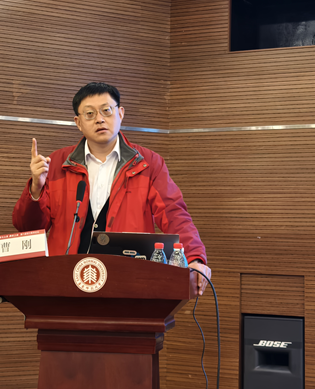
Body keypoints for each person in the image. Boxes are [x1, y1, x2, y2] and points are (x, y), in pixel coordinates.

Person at [12, 82, 212, 295]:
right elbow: (28, 228)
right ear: (78, 122)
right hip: (65, 281)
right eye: (90, 114)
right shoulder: (57, 163)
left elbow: (174, 214)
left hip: (127, 282)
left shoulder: (148, 163)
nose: (99, 119)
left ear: (120, 113)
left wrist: (194, 258)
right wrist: (36, 188)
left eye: (106, 110)